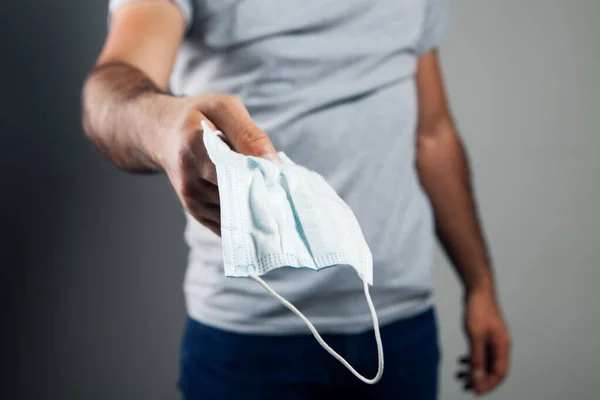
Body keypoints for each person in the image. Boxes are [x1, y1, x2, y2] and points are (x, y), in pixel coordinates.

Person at [81, 0, 512, 398]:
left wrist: (479, 286)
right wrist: (163, 128)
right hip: (249, 337)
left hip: (400, 324)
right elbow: (110, 91)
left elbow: (433, 135)